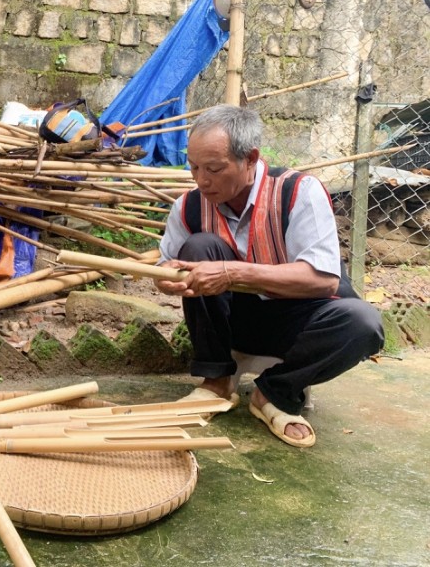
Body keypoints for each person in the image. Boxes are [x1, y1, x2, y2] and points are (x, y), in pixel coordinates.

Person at [154, 104, 384, 448]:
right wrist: (166, 279)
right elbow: (163, 266)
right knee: (199, 247)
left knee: (363, 322)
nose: (201, 180)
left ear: (250, 159)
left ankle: (274, 392)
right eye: (194, 167)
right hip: (234, 322)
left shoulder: (298, 192)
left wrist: (232, 272)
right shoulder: (188, 206)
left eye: (214, 169)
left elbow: (324, 281)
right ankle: (215, 380)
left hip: (297, 323)